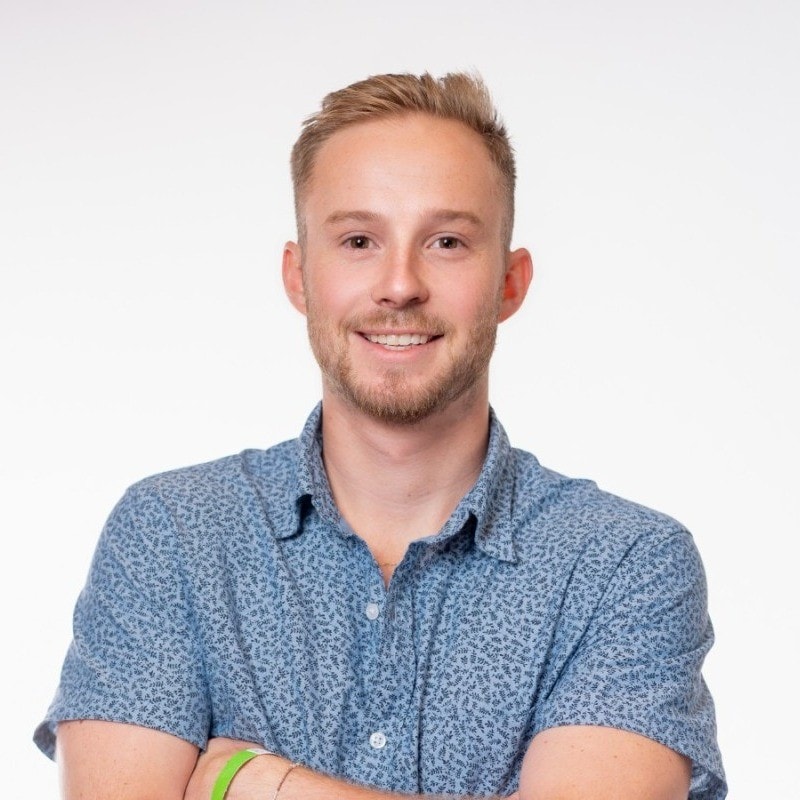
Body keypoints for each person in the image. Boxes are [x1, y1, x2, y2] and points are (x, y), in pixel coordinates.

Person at [35, 72, 726, 800]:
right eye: (359, 239)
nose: (399, 286)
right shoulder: (171, 536)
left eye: (448, 241)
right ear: (299, 277)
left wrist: (261, 784)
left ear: (510, 283)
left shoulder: (624, 564)